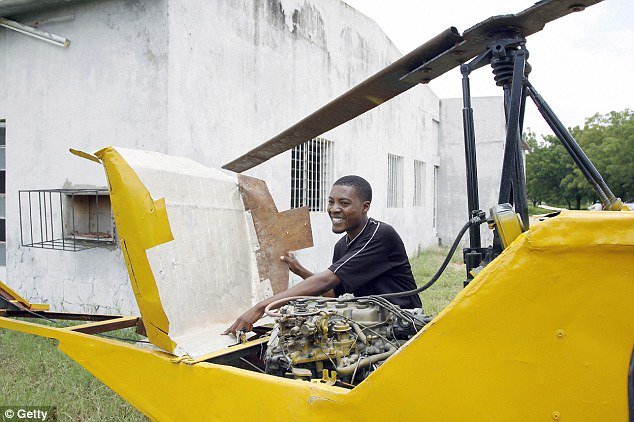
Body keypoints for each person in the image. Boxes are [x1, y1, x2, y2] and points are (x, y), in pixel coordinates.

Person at [224, 175, 421, 336]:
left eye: (344, 203)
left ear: (365, 207)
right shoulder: (342, 246)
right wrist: (300, 270)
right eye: (331, 202)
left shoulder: (380, 235)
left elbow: (327, 280)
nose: (334, 209)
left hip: (402, 326)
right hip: (371, 326)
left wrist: (260, 308)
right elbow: (332, 293)